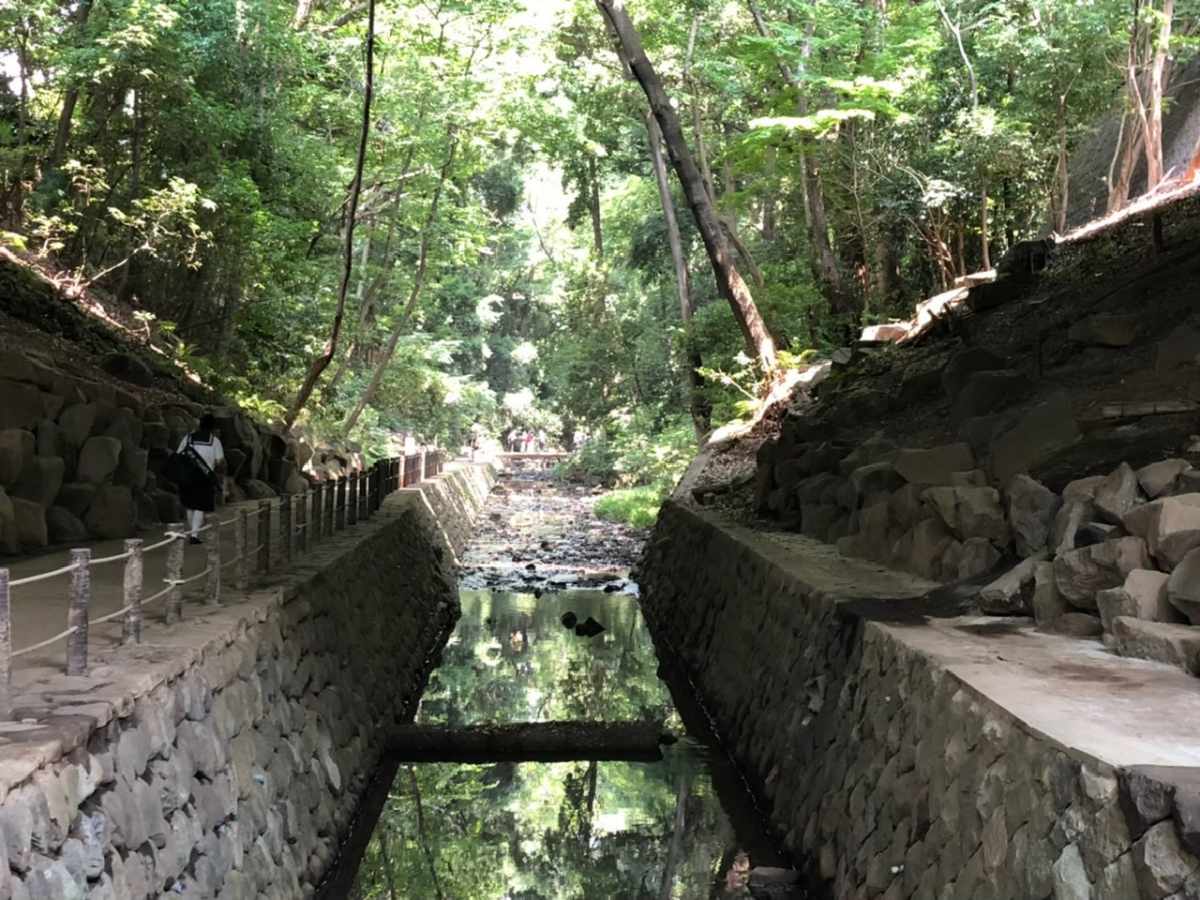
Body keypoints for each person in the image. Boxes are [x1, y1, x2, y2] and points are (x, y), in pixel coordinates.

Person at [176, 413, 226, 544]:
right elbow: (220, 461)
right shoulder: (215, 441)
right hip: (205, 476)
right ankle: (194, 535)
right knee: (200, 505)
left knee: (189, 505)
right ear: (213, 427)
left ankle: (192, 532)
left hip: (187, 475)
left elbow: (178, 455)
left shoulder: (188, 438)